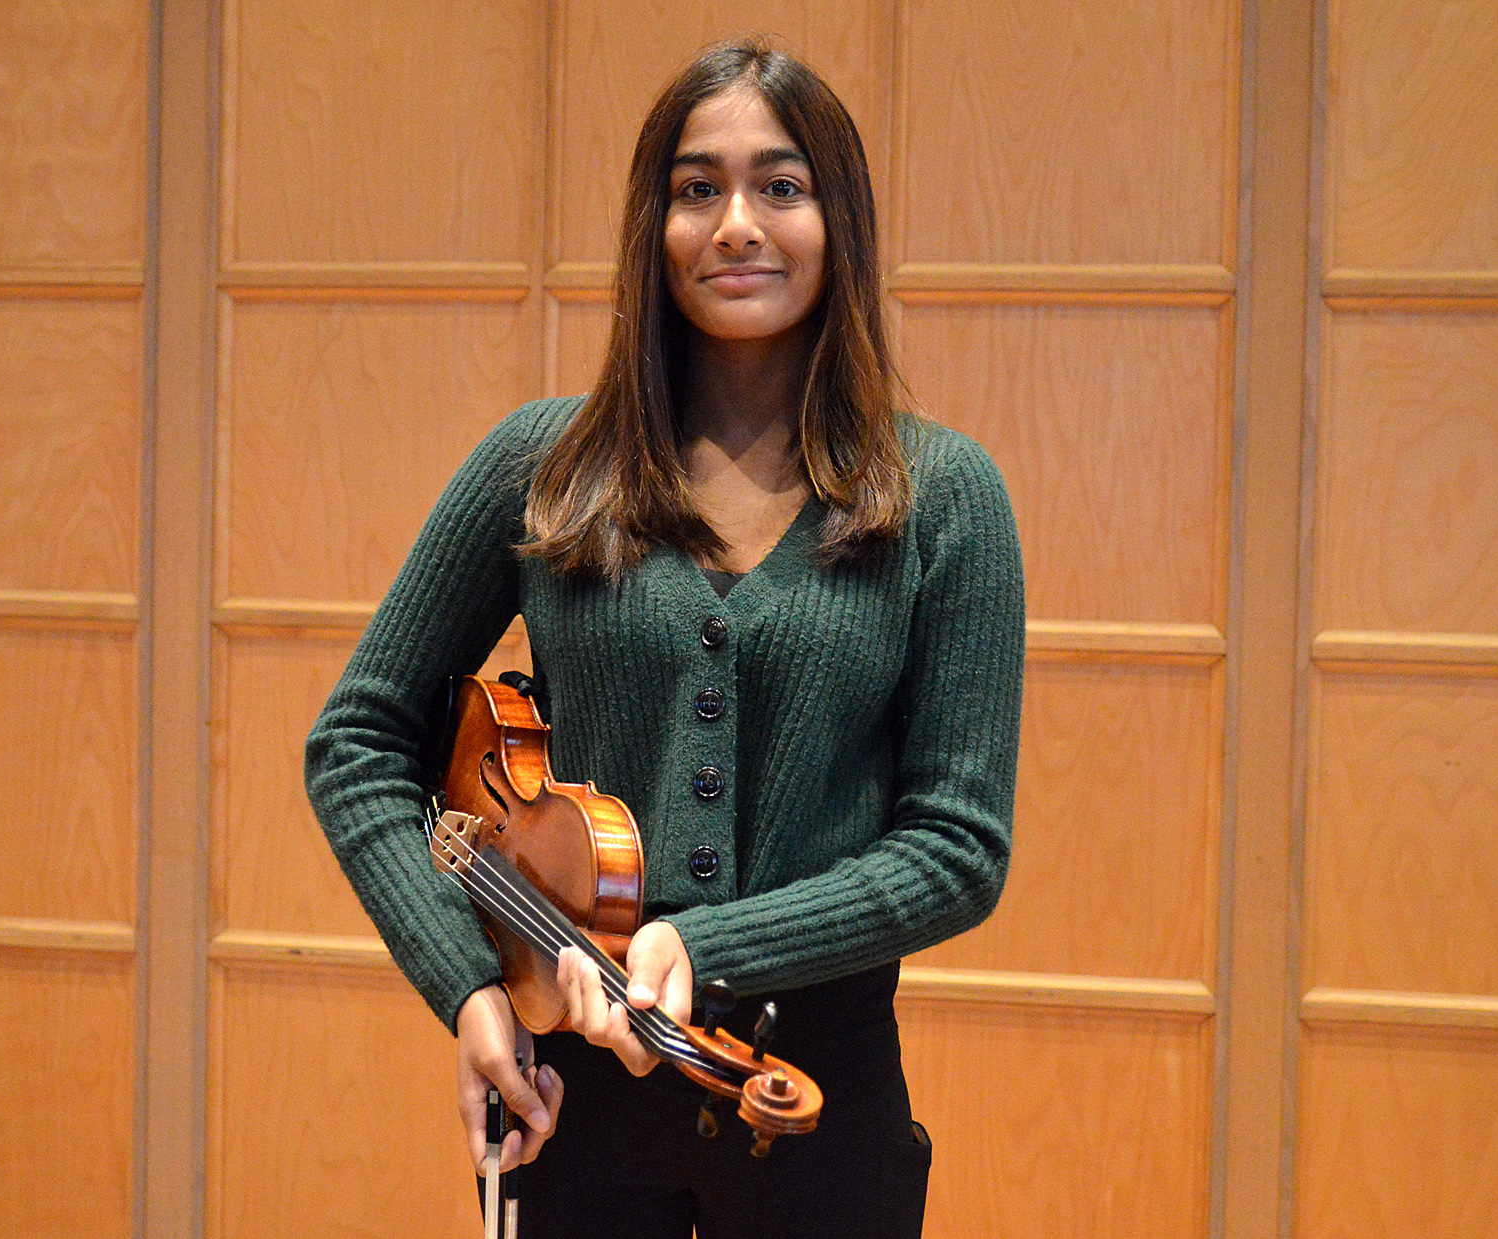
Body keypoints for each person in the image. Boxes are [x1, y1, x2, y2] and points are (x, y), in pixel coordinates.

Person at [305, 38, 1023, 1239]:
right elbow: (358, 743)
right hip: (565, 1099)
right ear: (656, 226)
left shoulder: (945, 498)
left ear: (838, 220)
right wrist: (471, 989)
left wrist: (703, 939)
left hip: (820, 1109)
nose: (737, 223)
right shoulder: (540, 466)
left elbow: (958, 848)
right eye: (698, 189)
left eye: (780, 186)